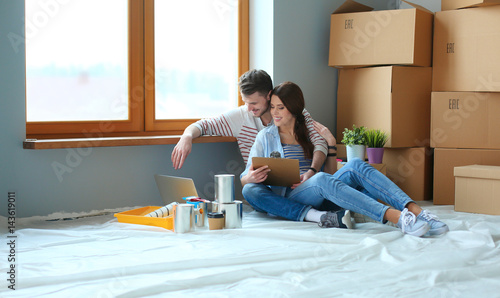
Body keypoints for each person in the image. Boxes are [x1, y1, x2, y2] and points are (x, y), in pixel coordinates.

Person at [241, 81, 449, 237]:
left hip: (320, 188)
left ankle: (417, 211)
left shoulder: (310, 131)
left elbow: (330, 171)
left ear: (294, 109)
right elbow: (244, 177)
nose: (275, 113)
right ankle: (397, 218)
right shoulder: (265, 137)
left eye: (281, 108)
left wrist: (325, 149)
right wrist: (251, 177)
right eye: (274, 107)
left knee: (356, 164)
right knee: (250, 189)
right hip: (293, 195)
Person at [171, 70, 348, 227]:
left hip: (298, 186)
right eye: (245, 102)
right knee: (250, 190)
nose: (249, 108)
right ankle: (314, 215)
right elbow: (204, 125)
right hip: (265, 190)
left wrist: (311, 171)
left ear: (269, 96)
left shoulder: (291, 112)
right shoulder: (241, 117)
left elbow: (320, 142)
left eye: (254, 103)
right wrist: (187, 136)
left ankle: (293, 210)